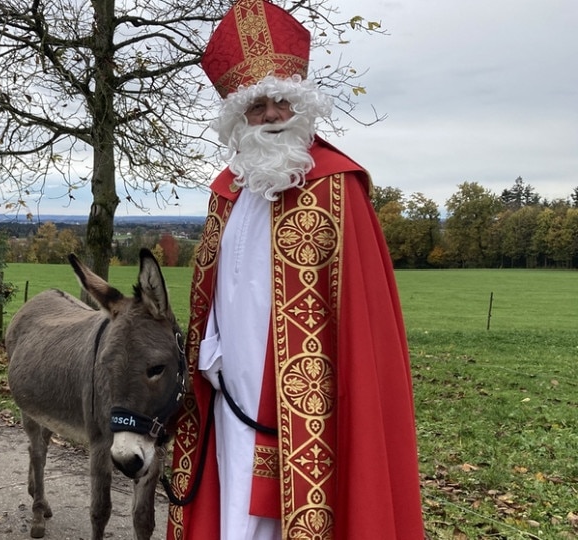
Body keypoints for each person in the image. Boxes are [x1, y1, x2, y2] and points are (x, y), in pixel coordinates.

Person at [166, 1, 426, 539]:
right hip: (227, 394)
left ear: (301, 104)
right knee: (233, 505)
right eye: (255, 106)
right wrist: (208, 349)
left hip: (312, 408)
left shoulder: (338, 187)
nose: (270, 114)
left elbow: (360, 319)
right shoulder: (227, 194)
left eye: (281, 100)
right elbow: (212, 293)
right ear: (238, 118)